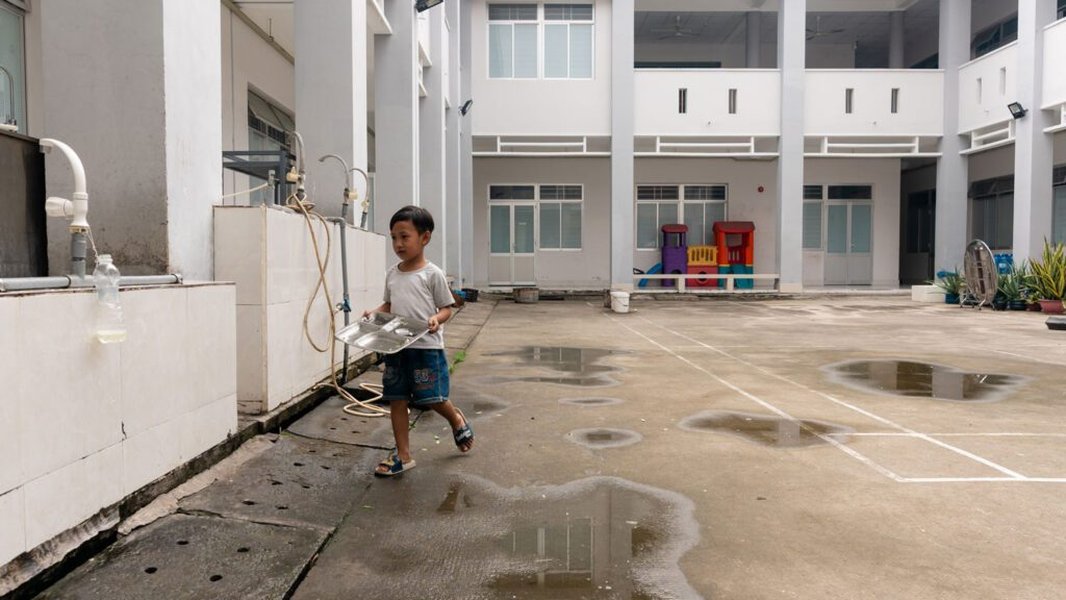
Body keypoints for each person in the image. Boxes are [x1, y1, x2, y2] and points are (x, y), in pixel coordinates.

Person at [363, 205, 474, 476]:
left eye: (404, 236)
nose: (398, 244)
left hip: (426, 348)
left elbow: (447, 307)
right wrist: (374, 313)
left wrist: (438, 319)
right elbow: (389, 304)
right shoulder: (392, 273)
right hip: (396, 347)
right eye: (394, 238)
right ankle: (403, 455)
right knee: (397, 399)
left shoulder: (432, 274)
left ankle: (456, 418)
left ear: (425, 238)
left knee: (432, 398)